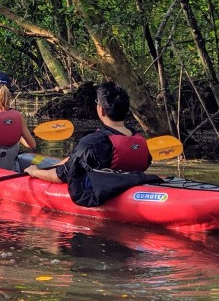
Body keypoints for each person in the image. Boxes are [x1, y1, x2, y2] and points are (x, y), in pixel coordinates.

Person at [24, 81, 157, 207]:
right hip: (131, 187)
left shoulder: (93, 142)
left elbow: (61, 176)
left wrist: (35, 172)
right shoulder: (140, 140)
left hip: (99, 193)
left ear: (101, 110)